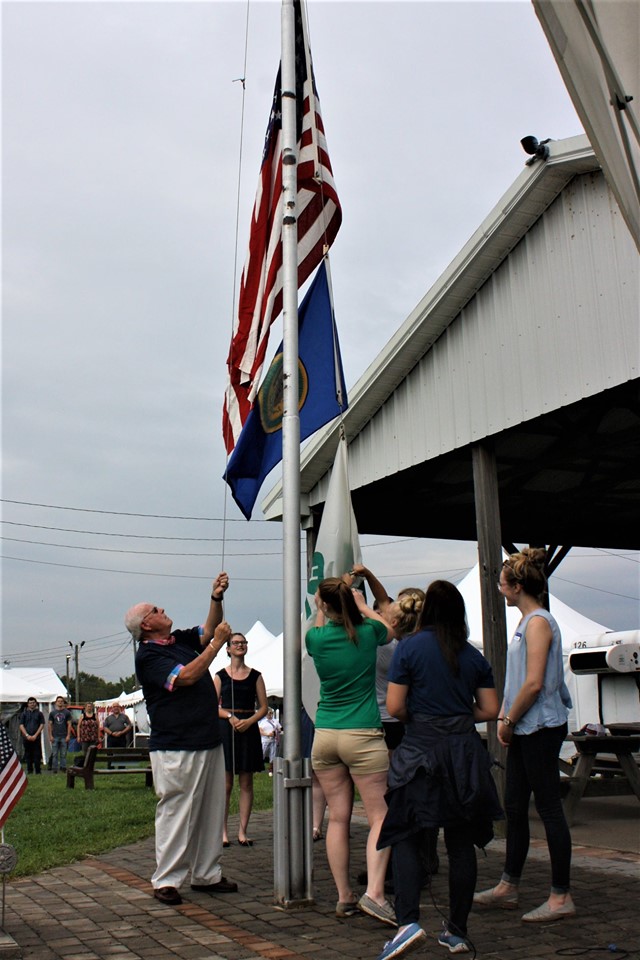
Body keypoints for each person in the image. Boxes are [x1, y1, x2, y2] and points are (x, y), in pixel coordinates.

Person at [375, 580, 502, 960]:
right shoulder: (472, 655)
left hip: (420, 752)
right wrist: (458, 717)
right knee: (461, 844)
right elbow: (491, 709)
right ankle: (457, 932)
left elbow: (395, 707)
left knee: (408, 836)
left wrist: (426, 717)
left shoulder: (409, 648)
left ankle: (408, 923)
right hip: (464, 753)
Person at [124, 572, 239, 906]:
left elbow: (207, 629)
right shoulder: (149, 657)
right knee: (177, 810)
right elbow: (186, 677)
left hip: (206, 740)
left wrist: (216, 597)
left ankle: (206, 874)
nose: (164, 610)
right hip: (176, 746)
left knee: (211, 809)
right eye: (156, 610)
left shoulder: (178, 641)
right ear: (146, 624)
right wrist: (218, 645)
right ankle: (167, 880)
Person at [474, 548, 575, 923]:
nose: (499, 586)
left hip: (540, 726)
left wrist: (508, 720)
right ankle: (508, 885)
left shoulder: (538, 623)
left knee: (547, 807)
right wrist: (506, 715)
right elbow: (519, 681)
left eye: (502, 581)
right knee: (514, 805)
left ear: (516, 586)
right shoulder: (526, 622)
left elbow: (533, 683)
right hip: (524, 725)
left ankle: (561, 895)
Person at [305, 577, 396, 926]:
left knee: (337, 818)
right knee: (379, 816)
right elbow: (389, 629)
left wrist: (319, 610)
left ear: (324, 605)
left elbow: (315, 630)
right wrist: (361, 605)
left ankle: (344, 896)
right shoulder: (369, 633)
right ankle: (375, 892)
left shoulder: (316, 637)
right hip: (363, 733)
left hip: (326, 733)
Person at [215, 633, 268, 846]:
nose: (240, 646)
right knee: (226, 783)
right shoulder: (220, 675)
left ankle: (243, 831)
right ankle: (223, 832)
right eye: (236, 643)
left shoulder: (256, 675)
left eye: (243, 642)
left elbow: (263, 706)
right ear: (228, 649)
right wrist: (230, 717)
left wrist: (250, 721)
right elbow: (212, 705)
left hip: (249, 727)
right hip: (227, 727)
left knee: (246, 781)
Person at [19, 697, 45, 775]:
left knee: (37, 754)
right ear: (28, 704)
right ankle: (29, 770)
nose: (32, 704)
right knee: (28, 754)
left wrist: (35, 735)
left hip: (36, 738)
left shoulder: (39, 713)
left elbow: (42, 724)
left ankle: (38, 771)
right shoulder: (24, 714)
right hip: (26, 738)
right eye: (30, 703)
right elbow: (21, 725)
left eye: (33, 702)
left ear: (36, 703)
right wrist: (27, 735)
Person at [48, 696, 72, 773]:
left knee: (63, 753)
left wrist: (68, 735)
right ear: (56, 702)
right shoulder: (52, 713)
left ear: (63, 702)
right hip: (55, 735)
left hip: (64, 736)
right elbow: (50, 725)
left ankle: (63, 767)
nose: (60, 702)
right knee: (55, 754)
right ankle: (55, 768)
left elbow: (69, 724)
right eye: (59, 701)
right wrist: (50, 736)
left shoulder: (67, 712)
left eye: (61, 701)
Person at [258, 708, 282, 776]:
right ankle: (259, 767)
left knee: (273, 755)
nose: (270, 714)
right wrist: (267, 734)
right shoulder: (262, 721)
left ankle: (271, 769)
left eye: (271, 713)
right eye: (268, 713)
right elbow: (260, 731)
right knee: (262, 753)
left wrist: (278, 730)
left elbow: (280, 728)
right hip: (265, 740)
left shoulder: (275, 721)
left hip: (273, 740)